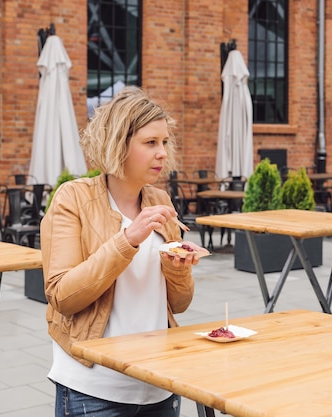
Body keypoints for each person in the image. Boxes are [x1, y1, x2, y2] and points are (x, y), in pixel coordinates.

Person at [40, 86, 204, 417]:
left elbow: (180, 304)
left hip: (159, 384)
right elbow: (62, 296)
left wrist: (179, 267)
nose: (162, 153)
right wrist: (127, 240)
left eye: (164, 142)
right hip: (95, 388)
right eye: (150, 142)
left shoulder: (161, 202)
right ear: (119, 143)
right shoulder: (73, 198)